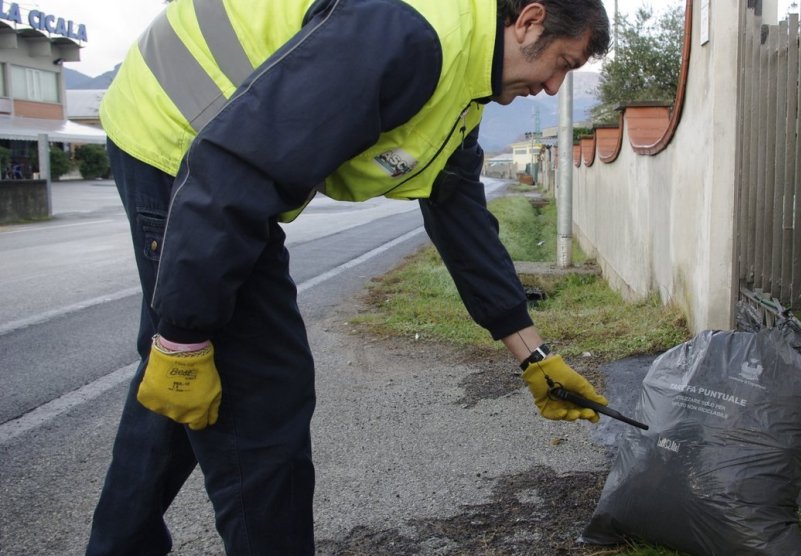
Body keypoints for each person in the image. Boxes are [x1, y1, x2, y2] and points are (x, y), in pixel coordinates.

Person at [86, 0, 611, 553]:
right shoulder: (410, 33)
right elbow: (237, 167)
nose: (554, 87)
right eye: (562, 63)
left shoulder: (464, 75)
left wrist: (534, 355)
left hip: (210, 151)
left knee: (187, 381)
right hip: (186, 142)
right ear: (528, 21)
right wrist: (184, 333)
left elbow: (460, 215)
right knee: (264, 396)